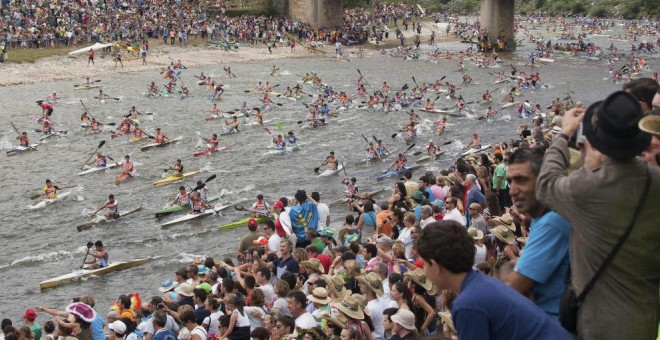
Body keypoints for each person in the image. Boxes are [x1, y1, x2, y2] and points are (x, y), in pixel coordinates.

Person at [536, 91, 659, 338]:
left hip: (599, 323)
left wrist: (564, 134)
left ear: (595, 141)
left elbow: (546, 184)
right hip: (646, 318)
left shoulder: (586, 187)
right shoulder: (655, 181)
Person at [416, 221, 572, 339]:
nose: (423, 270)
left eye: (424, 264)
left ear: (436, 266)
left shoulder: (467, 305)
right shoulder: (482, 283)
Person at [504, 147, 571, 318]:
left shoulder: (552, 222)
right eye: (510, 181)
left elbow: (510, 289)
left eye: (521, 180)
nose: (512, 191)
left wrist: (512, 274)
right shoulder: (542, 218)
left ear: (544, 180)